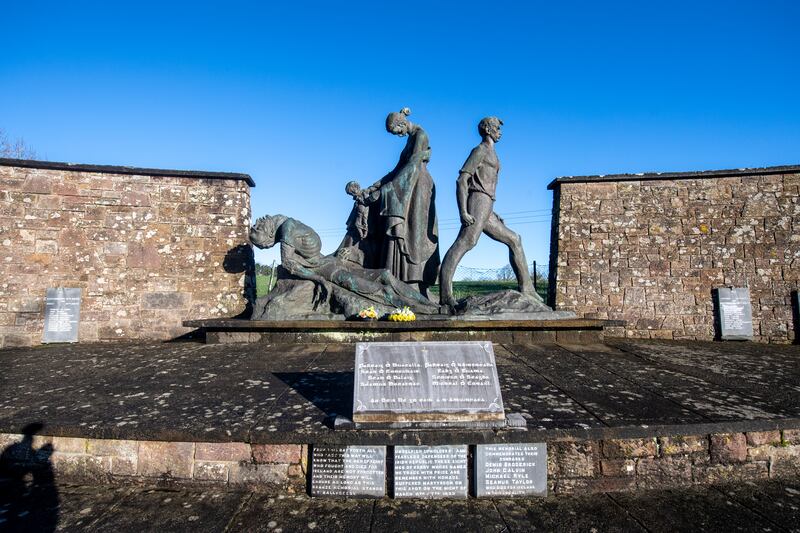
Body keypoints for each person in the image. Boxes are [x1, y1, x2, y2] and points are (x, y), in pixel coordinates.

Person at [250, 214, 439, 314]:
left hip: (328, 265)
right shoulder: (288, 226)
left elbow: (289, 262)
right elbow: (292, 264)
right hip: (328, 270)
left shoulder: (287, 228)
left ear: (265, 232)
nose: (267, 247)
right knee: (379, 289)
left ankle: (431, 307)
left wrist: (332, 261)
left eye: (263, 245)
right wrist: (319, 279)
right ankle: (424, 310)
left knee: (385, 276)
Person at [439, 117, 535, 308]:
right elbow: (462, 180)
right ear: (488, 130)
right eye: (498, 128)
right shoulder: (480, 150)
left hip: (487, 204)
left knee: (515, 239)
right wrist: (463, 211)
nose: (500, 132)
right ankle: (445, 295)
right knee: (467, 241)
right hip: (478, 201)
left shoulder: (492, 152)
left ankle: (528, 289)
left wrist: (492, 211)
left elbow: (487, 184)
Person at [367, 107, 440, 296]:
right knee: (405, 232)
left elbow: (413, 165)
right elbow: (397, 169)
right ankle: (398, 278)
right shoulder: (410, 139)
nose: (398, 135)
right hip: (408, 184)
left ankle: (415, 282)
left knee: (414, 232)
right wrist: (375, 186)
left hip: (418, 186)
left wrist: (388, 190)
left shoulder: (420, 135)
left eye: (396, 131)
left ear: (401, 124)